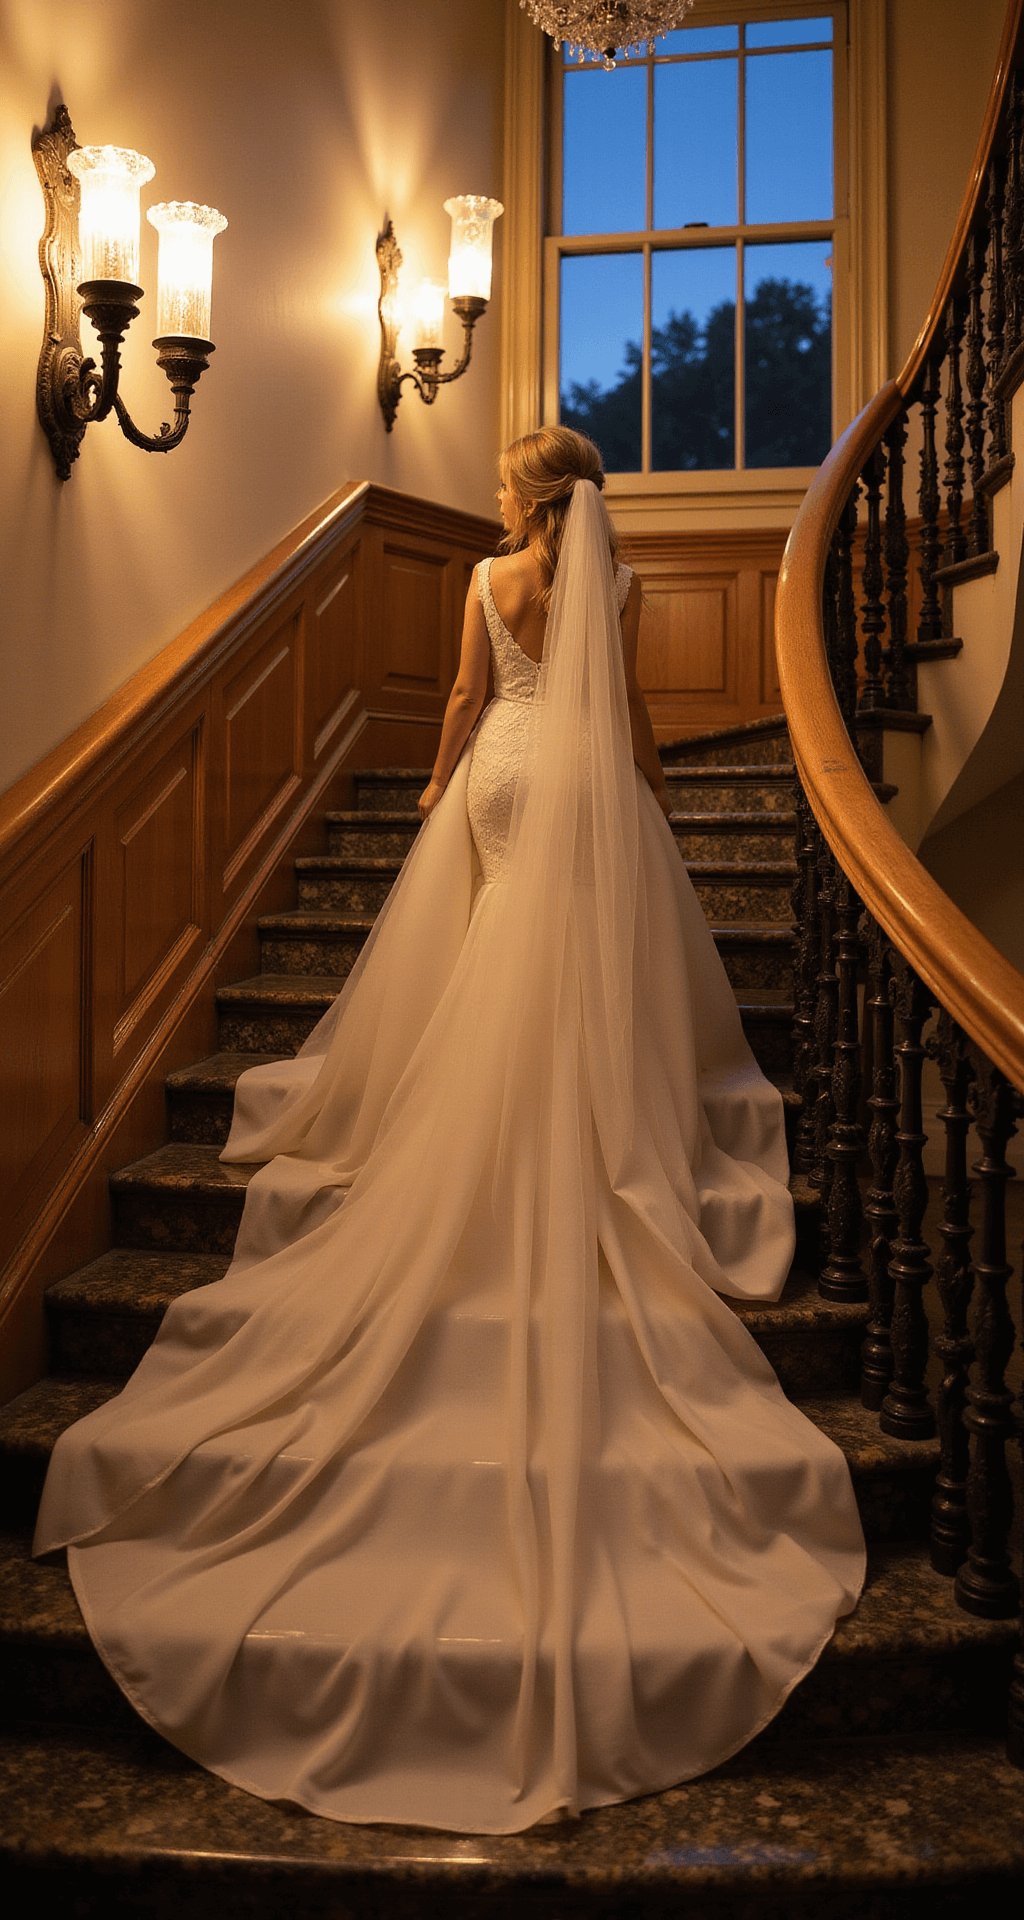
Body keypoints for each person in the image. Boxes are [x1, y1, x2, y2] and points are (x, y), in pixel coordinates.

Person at [34, 427, 865, 1835]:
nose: (491, 498)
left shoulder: (484, 580)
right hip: (584, 779)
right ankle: (579, 1098)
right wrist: (652, 796)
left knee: (493, 943)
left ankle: (477, 1096)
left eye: (503, 483)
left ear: (529, 497)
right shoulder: (613, 581)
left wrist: (432, 788)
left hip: (505, 778)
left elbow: (471, 700)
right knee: (577, 958)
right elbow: (633, 708)